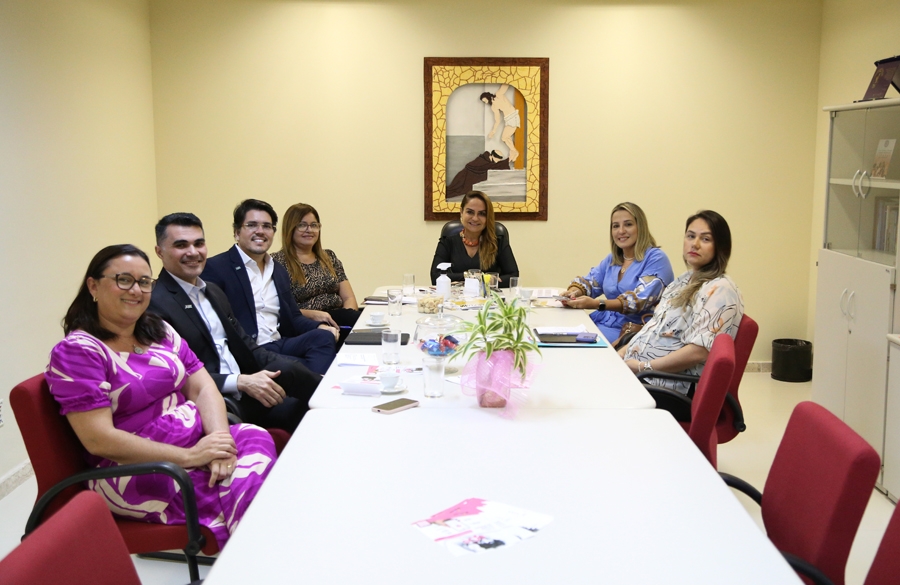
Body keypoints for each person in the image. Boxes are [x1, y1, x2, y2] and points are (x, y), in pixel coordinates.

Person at [45, 244, 276, 548]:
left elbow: (202, 386)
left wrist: (219, 442)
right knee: (252, 490)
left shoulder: (159, 330)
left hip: (197, 441)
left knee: (254, 437)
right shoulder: (78, 351)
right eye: (123, 280)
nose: (136, 290)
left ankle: (259, 544)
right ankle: (260, 550)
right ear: (93, 286)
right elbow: (99, 439)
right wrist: (190, 457)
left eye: (144, 282)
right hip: (141, 468)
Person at [148, 213, 321, 432]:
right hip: (214, 402)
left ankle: (334, 395)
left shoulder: (213, 291)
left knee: (299, 388)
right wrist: (239, 381)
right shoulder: (155, 303)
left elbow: (248, 347)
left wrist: (302, 374)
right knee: (301, 398)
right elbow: (172, 375)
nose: (193, 252)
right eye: (181, 245)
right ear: (159, 252)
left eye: (198, 244)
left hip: (246, 389)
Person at [202, 199, 338, 374]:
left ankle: (315, 382)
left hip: (279, 343)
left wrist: (319, 327)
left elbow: (294, 317)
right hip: (250, 350)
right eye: (252, 225)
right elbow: (213, 326)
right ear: (236, 232)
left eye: (267, 226)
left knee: (323, 337)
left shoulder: (277, 270)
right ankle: (317, 383)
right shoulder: (216, 268)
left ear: (273, 232)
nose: (260, 231)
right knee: (301, 368)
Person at [620, 210, 744, 394]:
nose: (695, 244)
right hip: (642, 374)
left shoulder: (721, 289)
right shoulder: (683, 281)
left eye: (705, 239)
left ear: (720, 247)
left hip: (668, 386)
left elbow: (698, 352)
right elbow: (653, 328)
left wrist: (643, 367)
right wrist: (620, 355)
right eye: (691, 236)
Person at [561, 202, 674, 345]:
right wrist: (573, 293)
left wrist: (597, 304)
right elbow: (590, 282)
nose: (621, 231)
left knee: (573, 346)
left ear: (641, 227)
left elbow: (638, 301)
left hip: (631, 333)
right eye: (615, 226)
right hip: (601, 322)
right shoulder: (613, 259)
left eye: (628, 224)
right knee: (560, 337)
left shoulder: (656, 258)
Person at [271, 203, 361, 343]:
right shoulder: (276, 262)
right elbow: (279, 308)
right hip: (305, 324)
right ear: (290, 228)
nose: (309, 230)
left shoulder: (329, 257)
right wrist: (315, 316)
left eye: (314, 225)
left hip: (339, 319)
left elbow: (348, 297)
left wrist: (345, 321)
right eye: (302, 225)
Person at [430, 190, 519, 287]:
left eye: (482, 214)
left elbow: (513, 276)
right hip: (457, 296)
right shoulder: (448, 241)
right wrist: (476, 278)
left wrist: (463, 280)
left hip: (488, 295)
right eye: (470, 212)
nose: (475, 218)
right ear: (461, 212)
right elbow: (435, 276)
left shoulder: (498, 241)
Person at [481, 84, 520, 164]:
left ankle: (514, 151)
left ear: (487, 96)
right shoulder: (493, 107)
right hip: (508, 119)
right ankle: (513, 151)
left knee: (505, 137)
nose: (485, 102)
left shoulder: (498, 94)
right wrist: (493, 131)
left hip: (513, 116)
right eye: (484, 102)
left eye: (485, 100)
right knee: (505, 138)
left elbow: (505, 85)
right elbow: (497, 120)